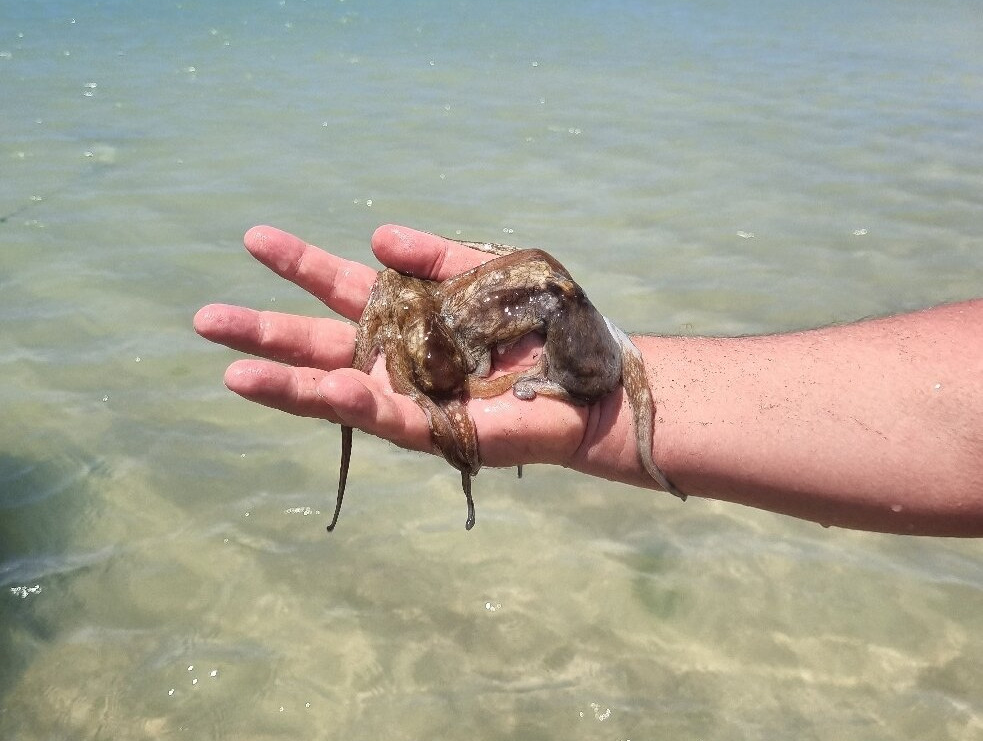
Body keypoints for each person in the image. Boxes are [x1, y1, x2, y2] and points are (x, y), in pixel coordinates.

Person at [193, 225, 983, 538]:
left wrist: (582, 380)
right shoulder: (458, 315)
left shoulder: (529, 322)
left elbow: (551, 302)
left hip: (554, 333)